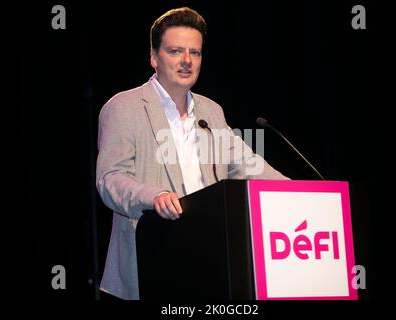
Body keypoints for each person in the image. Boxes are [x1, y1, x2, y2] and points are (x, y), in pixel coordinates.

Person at [96, 7, 289, 300]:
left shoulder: (211, 111)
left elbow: (248, 165)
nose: (187, 61)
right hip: (152, 261)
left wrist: (299, 193)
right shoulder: (124, 107)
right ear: (153, 57)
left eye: (195, 53)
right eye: (175, 51)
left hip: (209, 262)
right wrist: (154, 195)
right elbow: (110, 179)